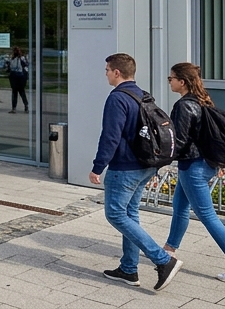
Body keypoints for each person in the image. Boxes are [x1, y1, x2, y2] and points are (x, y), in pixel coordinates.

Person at [90, 53, 182, 292]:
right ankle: (129, 269)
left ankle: (163, 260)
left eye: (107, 70)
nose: (106, 74)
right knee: (130, 214)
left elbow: (110, 136)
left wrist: (98, 166)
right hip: (146, 165)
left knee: (115, 214)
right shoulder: (142, 95)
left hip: (126, 168)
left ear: (117, 72)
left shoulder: (117, 98)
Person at [164, 63, 225, 284]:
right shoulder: (202, 101)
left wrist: (161, 157)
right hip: (205, 164)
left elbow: (181, 142)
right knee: (180, 207)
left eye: (171, 78)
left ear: (182, 82)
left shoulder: (184, 106)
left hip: (192, 166)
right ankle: (169, 250)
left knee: (207, 215)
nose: (170, 82)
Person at [7, 46, 30, 114]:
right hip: (18, 76)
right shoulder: (15, 58)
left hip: (17, 76)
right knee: (19, 92)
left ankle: (19, 107)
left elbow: (25, 65)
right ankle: (22, 106)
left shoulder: (19, 58)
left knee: (18, 92)